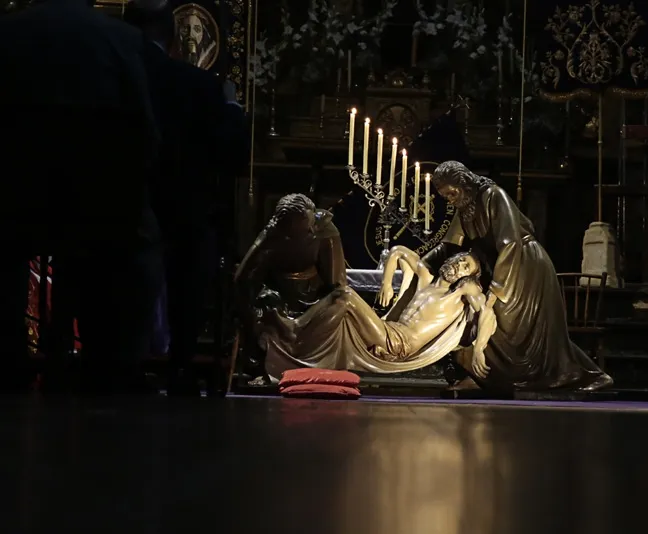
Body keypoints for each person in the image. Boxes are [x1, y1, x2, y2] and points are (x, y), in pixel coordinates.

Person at [0, 0, 163, 393]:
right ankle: (112, 360)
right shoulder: (121, 39)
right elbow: (144, 127)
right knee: (138, 248)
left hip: (18, 194)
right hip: (99, 197)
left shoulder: (8, 33)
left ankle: (8, 355)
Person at [397, 161, 612, 392]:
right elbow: (449, 246)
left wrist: (496, 288)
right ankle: (488, 377)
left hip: (524, 266)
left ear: (464, 184)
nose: (450, 200)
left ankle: (581, 375)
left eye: (452, 193)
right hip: (502, 266)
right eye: (445, 196)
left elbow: (510, 243)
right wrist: (422, 262)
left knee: (505, 321)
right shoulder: (465, 207)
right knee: (487, 319)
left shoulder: (493, 195)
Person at [125, 1, 248, 394]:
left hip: (123, 205)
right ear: (174, 39)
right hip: (185, 208)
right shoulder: (197, 84)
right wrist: (232, 107)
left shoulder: (115, 77)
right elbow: (231, 154)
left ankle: (119, 367)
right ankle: (180, 366)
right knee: (187, 283)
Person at [260, 247, 496, 380]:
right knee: (341, 308)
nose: (458, 266)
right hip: (389, 330)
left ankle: (294, 331)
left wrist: (479, 349)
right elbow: (398, 251)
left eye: (465, 267)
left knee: (347, 296)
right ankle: (301, 346)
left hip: (401, 343)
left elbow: (487, 313)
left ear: (467, 277)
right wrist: (386, 283)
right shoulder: (426, 279)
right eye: (459, 260)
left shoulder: (462, 291)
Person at [235, 194, 346, 385]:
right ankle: (269, 367)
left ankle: (320, 365)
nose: (311, 228)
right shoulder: (273, 235)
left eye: (312, 222)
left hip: (313, 295)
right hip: (279, 295)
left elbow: (334, 280)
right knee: (266, 311)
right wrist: (263, 241)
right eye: (304, 226)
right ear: (287, 227)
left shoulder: (324, 229)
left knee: (342, 303)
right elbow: (242, 277)